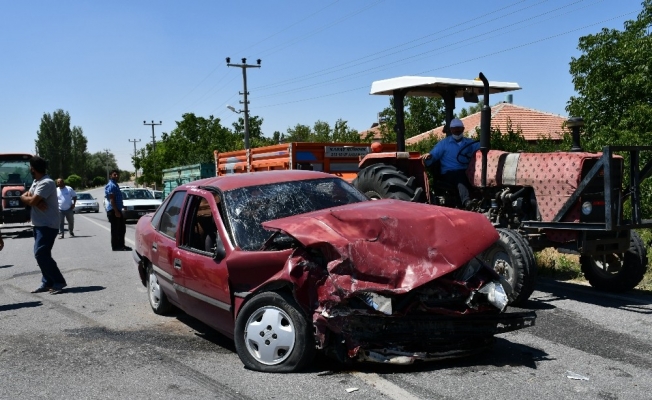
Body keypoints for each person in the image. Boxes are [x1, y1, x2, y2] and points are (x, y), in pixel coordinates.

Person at [20, 156, 67, 294]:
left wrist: (26, 199)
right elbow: (30, 197)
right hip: (38, 224)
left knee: (41, 254)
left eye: (30, 167)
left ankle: (58, 281)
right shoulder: (36, 181)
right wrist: (31, 199)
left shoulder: (46, 182)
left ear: (33, 168)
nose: (29, 169)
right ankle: (47, 282)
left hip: (48, 224)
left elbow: (30, 199)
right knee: (42, 254)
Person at [422, 118, 480, 209]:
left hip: (466, 171)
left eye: (459, 128)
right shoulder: (444, 144)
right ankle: (467, 202)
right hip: (449, 173)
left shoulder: (470, 143)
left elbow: (483, 148)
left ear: (463, 129)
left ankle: (482, 200)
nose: (457, 130)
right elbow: (433, 155)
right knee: (459, 175)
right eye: (455, 128)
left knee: (476, 175)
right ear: (451, 130)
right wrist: (429, 156)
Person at [105, 169, 130, 251]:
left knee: (122, 228)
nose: (116, 176)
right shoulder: (111, 185)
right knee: (116, 230)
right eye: (114, 174)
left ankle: (121, 245)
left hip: (117, 209)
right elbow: (112, 200)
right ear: (110, 176)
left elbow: (117, 198)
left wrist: (122, 206)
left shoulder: (115, 185)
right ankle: (116, 246)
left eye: (117, 175)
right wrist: (116, 211)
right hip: (113, 210)